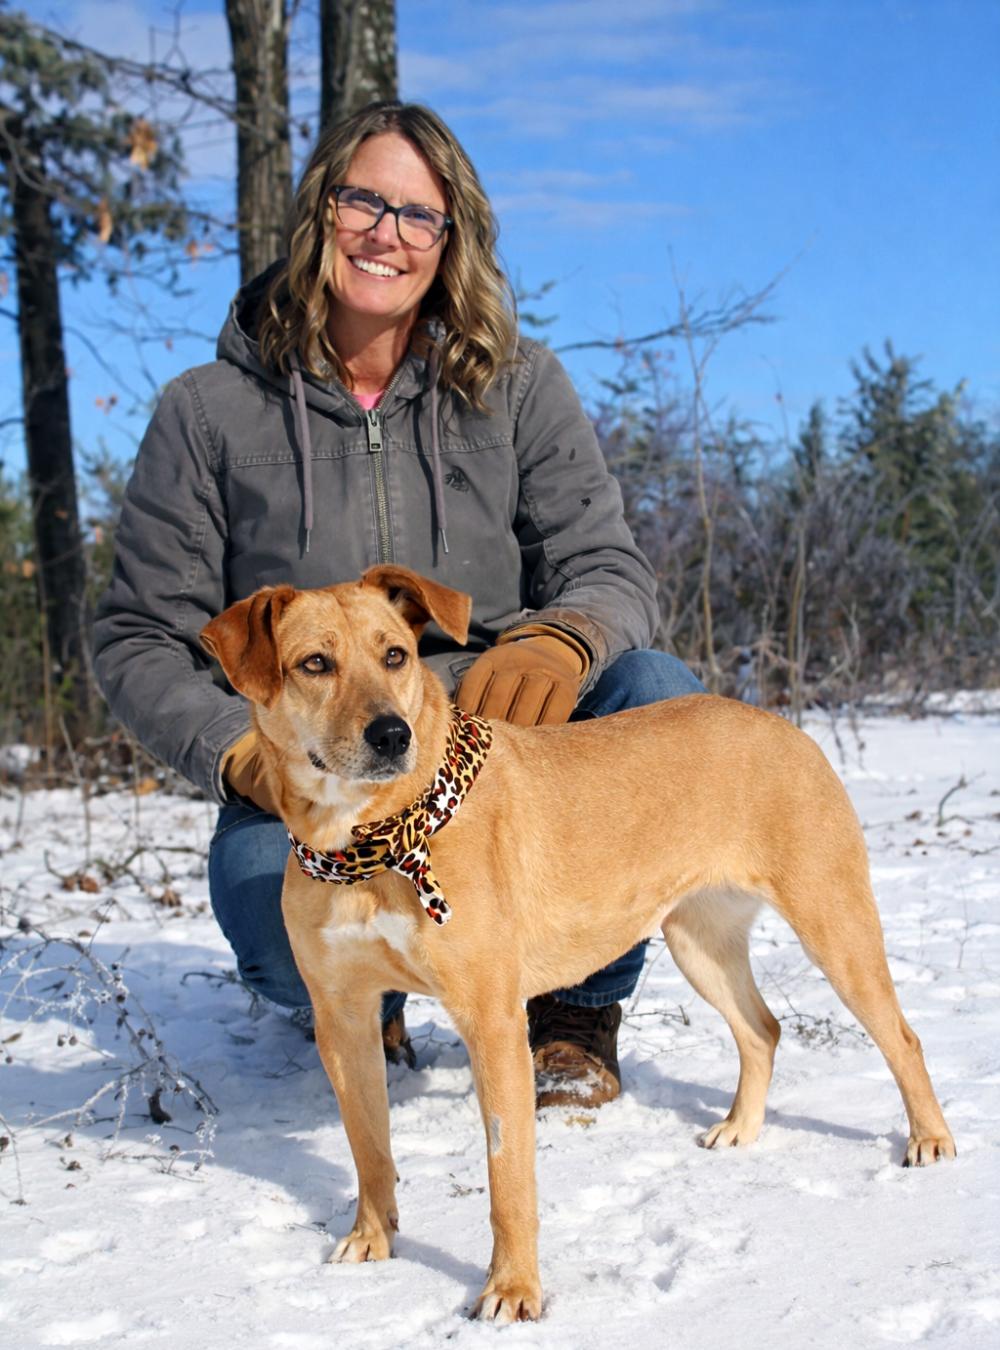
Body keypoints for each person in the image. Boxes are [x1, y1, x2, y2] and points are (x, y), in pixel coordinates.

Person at [93, 101, 704, 1109]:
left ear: (451, 239)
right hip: (316, 769)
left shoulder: (517, 387)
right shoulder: (208, 411)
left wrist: (562, 639)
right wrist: (236, 751)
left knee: (658, 690)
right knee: (266, 917)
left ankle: (571, 1011)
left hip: (496, 755)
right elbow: (138, 635)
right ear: (319, 213)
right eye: (363, 200)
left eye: (419, 214)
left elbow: (609, 564)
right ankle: (365, 996)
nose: (388, 232)